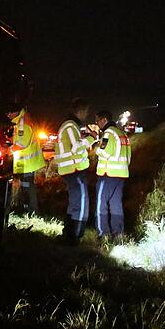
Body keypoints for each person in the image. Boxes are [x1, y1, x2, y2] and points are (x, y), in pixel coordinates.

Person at [56, 98, 96, 244]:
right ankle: (75, 236)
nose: (86, 115)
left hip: (70, 169)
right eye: (86, 111)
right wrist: (91, 139)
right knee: (81, 201)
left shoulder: (69, 125)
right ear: (80, 111)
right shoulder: (71, 126)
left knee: (74, 202)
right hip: (74, 169)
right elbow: (76, 147)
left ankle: (68, 233)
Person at [93, 110, 131, 241]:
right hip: (121, 175)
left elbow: (105, 152)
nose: (96, 124)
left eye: (97, 121)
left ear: (104, 120)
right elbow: (128, 157)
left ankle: (103, 234)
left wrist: (96, 149)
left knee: (100, 204)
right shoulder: (122, 134)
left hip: (107, 174)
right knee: (116, 204)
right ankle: (118, 233)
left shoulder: (108, 133)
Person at [7, 104, 46, 214]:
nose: (8, 116)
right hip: (24, 162)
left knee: (28, 186)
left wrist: (8, 150)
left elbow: (22, 143)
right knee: (24, 186)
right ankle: (26, 209)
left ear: (15, 112)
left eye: (9, 113)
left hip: (27, 162)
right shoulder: (21, 121)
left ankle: (32, 211)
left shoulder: (23, 122)